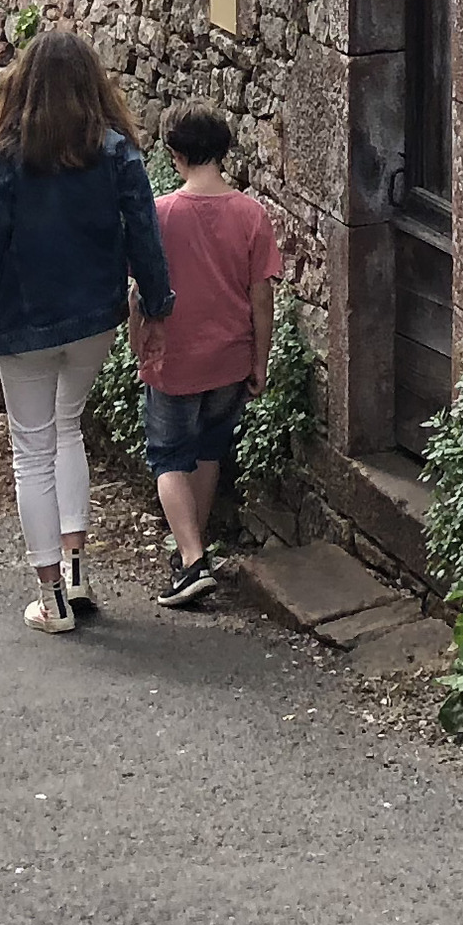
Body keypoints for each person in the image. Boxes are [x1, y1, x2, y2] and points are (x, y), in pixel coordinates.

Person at [0, 30, 168, 634]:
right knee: (67, 429)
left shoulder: (6, 162)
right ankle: (75, 567)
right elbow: (145, 234)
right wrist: (157, 306)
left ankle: (52, 598)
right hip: (94, 317)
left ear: (26, 87)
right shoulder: (117, 153)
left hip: (23, 324)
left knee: (32, 449)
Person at [138, 106, 280, 610]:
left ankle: (192, 560)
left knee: (167, 457)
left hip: (174, 359)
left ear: (174, 155)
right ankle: (190, 554)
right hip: (230, 359)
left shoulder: (160, 214)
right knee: (207, 453)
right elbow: (261, 296)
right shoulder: (251, 215)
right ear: (224, 151)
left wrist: (139, 339)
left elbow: (144, 292)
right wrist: (260, 361)